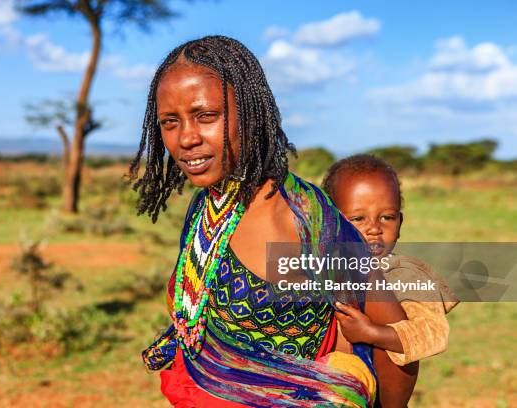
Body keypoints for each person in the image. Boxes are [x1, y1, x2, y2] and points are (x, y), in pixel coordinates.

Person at [129, 36, 417, 407]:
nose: (186, 138)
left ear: (251, 114)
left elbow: (398, 339)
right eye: (170, 122)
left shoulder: (306, 221)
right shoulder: (209, 205)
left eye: (206, 116)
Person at [321, 154, 459, 366]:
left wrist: (372, 333)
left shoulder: (406, 274)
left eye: (387, 217)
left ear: (400, 223)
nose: (375, 229)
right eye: (358, 219)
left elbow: (433, 335)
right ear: (329, 224)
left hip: (377, 395)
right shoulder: (322, 269)